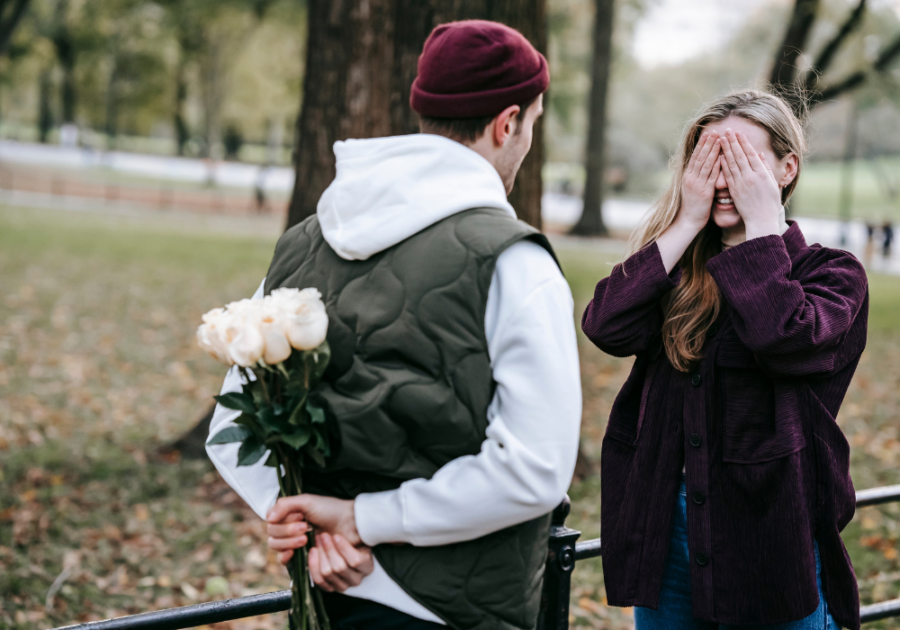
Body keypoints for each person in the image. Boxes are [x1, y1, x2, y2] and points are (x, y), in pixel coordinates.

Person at [206, 20, 582, 630]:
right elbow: (533, 469)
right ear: (507, 123)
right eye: (532, 125)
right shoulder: (514, 260)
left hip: (330, 594)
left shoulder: (307, 239)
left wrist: (305, 523)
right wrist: (355, 522)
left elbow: (235, 418)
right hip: (454, 609)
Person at [581, 90, 868, 630]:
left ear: (787, 169)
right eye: (710, 162)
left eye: (742, 162)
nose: (723, 179)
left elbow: (785, 338)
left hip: (771, 537)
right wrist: (686, 221)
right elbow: (604, 324)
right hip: (669, 530)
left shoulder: (832, 274)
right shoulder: (679, 271)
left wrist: (761, 230)